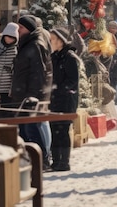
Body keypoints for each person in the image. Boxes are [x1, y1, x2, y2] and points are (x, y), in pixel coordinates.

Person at [11, 15, 53, 169]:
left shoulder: (35, 45)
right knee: (25, 129)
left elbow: (38, 73)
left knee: (32, 129)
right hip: (23, 95)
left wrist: (32, 96)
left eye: (20, 27)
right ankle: (32, 160)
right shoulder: (27, 44)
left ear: (28, 28)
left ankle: (42, 160)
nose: (18, 30)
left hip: (30, 96)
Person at [48, 27, 80, 171]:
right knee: (54, 130)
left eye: (53, 39)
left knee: (63, 130)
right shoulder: (54, 57)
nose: (51, 42)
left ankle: (64, 161)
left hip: (66, 100)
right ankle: (56, 161)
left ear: (61, 41)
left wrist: (60, 89)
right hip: (54, 99)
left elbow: (73, 80)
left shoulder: (70, 57)